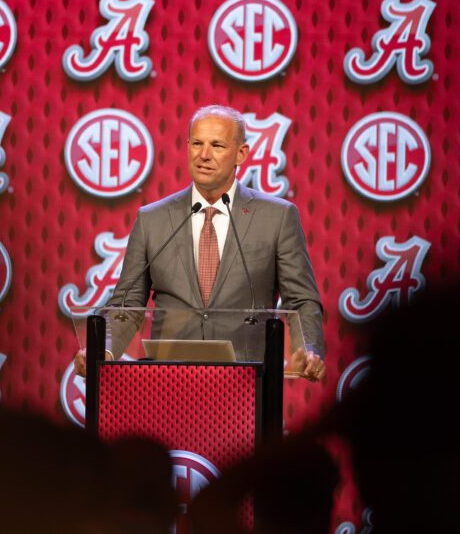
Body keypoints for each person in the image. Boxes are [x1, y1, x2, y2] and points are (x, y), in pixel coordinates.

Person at [75, 105, 326, 381]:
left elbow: (301, 300)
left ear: (241, 153)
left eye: (217, 145)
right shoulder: (152, 219)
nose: (204, 155)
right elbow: (127, 305)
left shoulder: (278, 217)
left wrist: (307, 349)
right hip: (167, 384)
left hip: (248, 385)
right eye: (197, 143)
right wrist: (104, 351)